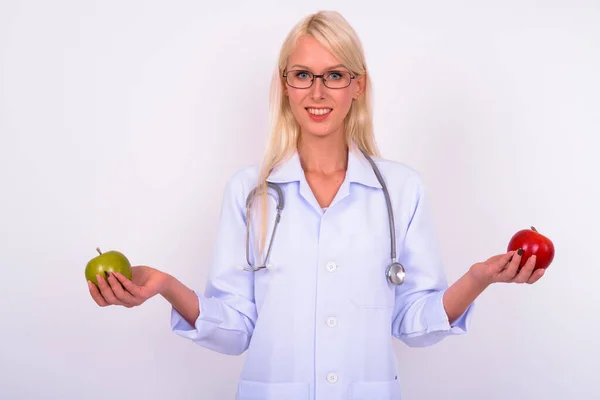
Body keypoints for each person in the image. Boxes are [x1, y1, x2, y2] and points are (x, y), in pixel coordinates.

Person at [87, 10, 545, 400]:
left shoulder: (401, 190)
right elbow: (235, 329)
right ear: (286, 85)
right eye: (303, 75)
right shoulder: (249, 193)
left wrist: (478, 278)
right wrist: (166, 285)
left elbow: (413, 322)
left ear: (357, 86)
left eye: (335, 75)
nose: (318, 92)